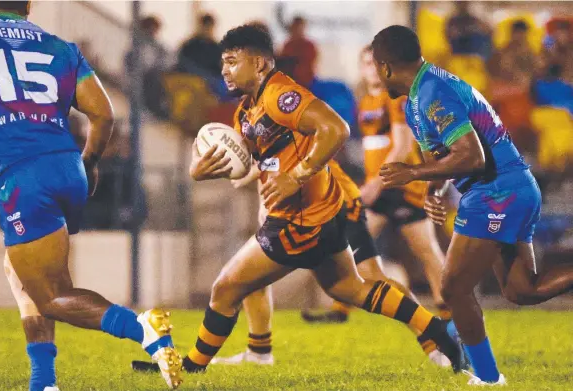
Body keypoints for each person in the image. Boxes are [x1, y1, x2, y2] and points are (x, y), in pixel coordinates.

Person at [182, 23, 464, 376]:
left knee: (226, 287)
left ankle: (189, 370)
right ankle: (434, 329)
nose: (223, 70)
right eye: (221, 63)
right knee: (350, 288)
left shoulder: (280, 95)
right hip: (322, 214)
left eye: (231, 61)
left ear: (259, 64)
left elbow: (335, 129)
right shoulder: (247, 110)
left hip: (302, 219)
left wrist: (296, 176)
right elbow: (251, 161)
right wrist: (202, 168)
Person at [0, 2, 182, 390]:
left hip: (23, 175)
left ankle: (143, 328)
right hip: (68, 168)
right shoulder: (59, 46)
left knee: (50, 295)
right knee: (23, 273)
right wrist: (91, 162)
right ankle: (43, 381)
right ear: (28, 4)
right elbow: (104, 113)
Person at [371, 25, 573, 386]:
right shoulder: (422, 92)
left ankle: (487, 378)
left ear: (385, 67)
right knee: (521, 291)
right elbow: (449, 154)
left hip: (497, 192)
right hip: (509, 189)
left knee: (452, 289)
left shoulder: (433, 92)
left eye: (375, 67)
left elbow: (472, 156)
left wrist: (412, 172)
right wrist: (434, 189)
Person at [309, 46, 449, 321]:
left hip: (402, 186)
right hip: (382, 189)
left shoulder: (396, 98)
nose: (370, 69)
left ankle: (450, 312)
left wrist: (374, 184)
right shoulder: (366, 103)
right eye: (366, 64)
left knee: (427, 252)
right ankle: (340, 309)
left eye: (376, 64)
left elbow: (402, 147)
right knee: (348, 245)